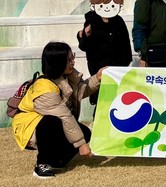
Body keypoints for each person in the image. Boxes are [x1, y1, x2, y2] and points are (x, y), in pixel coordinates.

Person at [11, 42, 103, 178]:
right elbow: (65, 116)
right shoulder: (44, 89)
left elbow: (80, 91)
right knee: (50, 122)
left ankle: (57, 161)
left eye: (73, 57)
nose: (73, 62)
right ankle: (42, 165)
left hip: (49, 122)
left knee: (84, 132)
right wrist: (81, 145)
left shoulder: (64, 77)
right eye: (69, 60)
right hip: (28, 127)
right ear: (58, 63)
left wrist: (97, 77)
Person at [76, 0, 132, 104]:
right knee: (101, 101)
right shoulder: (91, 21)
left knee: (116, 100)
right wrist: (85, 35)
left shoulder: (118, 21)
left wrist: (125, 63)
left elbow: (125, 44)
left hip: (117, 68)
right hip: (98, 69)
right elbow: (84, 46)